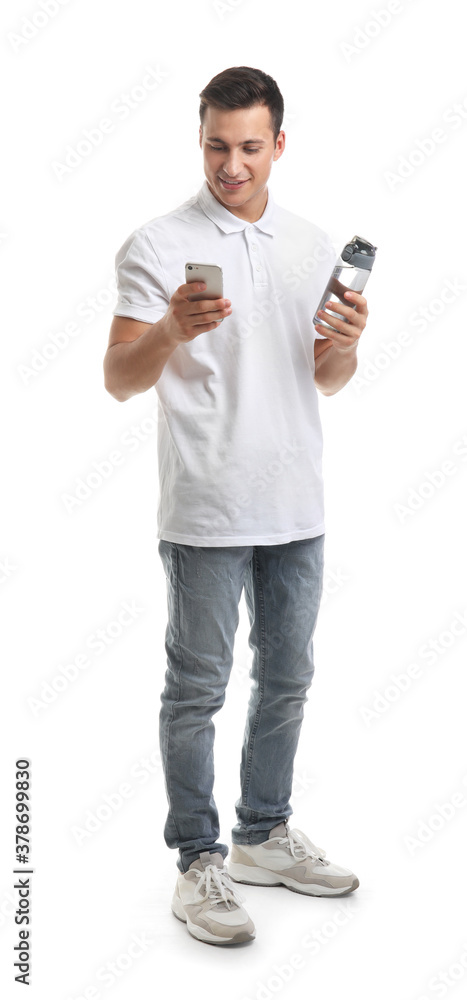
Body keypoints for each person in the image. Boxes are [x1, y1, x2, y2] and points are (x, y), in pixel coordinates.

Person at [103, 65, 368, 947]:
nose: (232, 163)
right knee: (197, 692)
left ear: (278, 144)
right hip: (208, 508)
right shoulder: (155, 242)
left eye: (250, 146)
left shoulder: (310, 243)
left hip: (298, 503)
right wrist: (173, 330)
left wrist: (348, 345)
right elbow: (117, 380)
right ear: (201, 139)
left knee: (288, 679)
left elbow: (326, 379)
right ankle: (196, 863)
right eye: (217, 144)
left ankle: (261, 834)